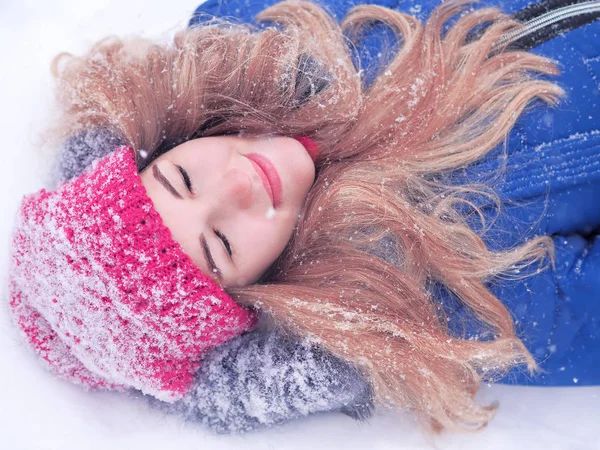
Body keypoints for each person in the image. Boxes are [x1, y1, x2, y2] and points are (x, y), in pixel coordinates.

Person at [6, 0, 600, 436]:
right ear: (255, 295)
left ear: (157, 150)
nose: (237, 186)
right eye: (221, 245)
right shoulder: (455, 294)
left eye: (181, 179)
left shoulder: (256, 27)